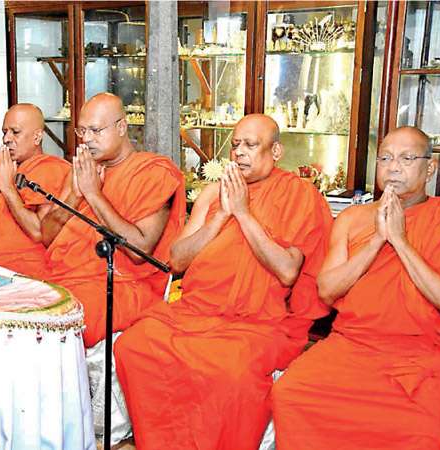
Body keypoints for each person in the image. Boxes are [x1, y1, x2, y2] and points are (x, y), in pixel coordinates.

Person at [114, 114, 333, 450]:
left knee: (232, 370)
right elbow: (178, 259)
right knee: (134, 346)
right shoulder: (213, 195)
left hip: (255, 320)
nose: (239, 153)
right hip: (195, 310)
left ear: (276, 152)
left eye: (250, 145)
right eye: (235, 145)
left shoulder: (298, 195)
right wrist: (220, 216)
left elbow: (288, 271)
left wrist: (244, 214)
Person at [272, 126, 440, 449]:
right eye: (385, 158)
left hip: (418, 356)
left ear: (430, 168)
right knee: (291, 392)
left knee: (423, 430)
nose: (393, 167)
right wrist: (377, 239)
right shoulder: (353, 218)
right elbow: (327, 291)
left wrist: (400, 241)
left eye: (406, 158)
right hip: (352, 346)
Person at [40, 92, 185, 348]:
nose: (87, 139)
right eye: (82, 131)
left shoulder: (154, 172)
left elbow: (140, 249)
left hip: (122, 286)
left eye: (96, 130)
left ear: (121, 127)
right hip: (64, 277)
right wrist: (74, 196)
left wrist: (93, 194)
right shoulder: (83, 170)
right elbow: (47, 236)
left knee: (49, 328)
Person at [0, 104, 70, 278]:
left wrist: (8, 189)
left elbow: (38, 231)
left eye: (15, 132)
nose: (6, 139)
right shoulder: (6, 169)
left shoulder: (49, 168)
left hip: (20, 269)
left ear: (37, 136)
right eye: (4, 132)